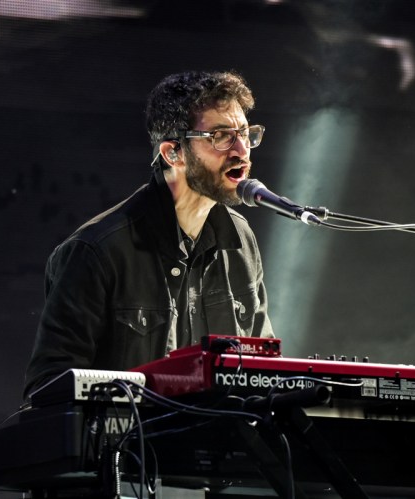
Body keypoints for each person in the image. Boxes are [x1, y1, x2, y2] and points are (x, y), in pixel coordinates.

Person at [23, 70, 274, 398]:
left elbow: (265, 372)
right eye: (221, 136)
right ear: (173, 153)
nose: (241, 150)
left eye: (245, 133)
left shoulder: (241, 240)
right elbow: (48, 387)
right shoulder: (96, 250)